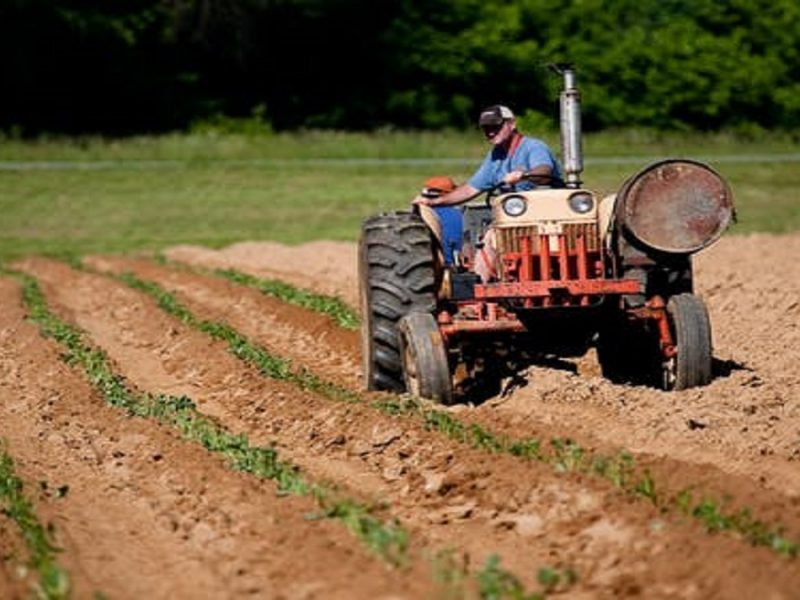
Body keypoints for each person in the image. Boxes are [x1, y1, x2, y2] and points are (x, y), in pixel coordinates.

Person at [413, 104, 562, 281]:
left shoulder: (533, 147)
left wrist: (524, 175)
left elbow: (544, 172)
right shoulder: (496, 156)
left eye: (495, 126)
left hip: (548, 217)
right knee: (489, 240)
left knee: (492, 238)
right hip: (513, 221)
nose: (490, 132)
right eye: (486, 128)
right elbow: (470, 189)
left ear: (511, 124)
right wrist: (433, 202)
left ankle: (481, 286)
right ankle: (478, 292)